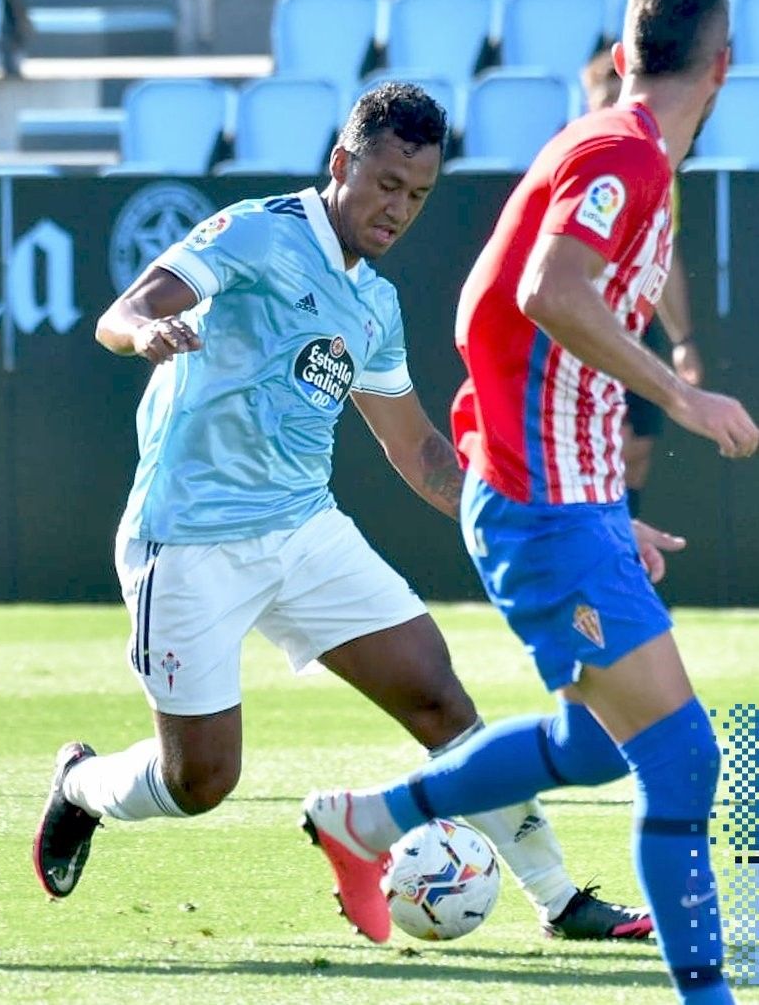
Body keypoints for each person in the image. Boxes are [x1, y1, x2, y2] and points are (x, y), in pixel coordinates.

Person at [32, 82, 651, 942]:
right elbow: (123, 310)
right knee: (200, 780)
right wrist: (146, 333)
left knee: (438, 695)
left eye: (419, 195)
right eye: (387, 184)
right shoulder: (260, 231)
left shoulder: (376, 303)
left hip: (304, 529)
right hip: (190, 539)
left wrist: (563, 518)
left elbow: (422, 452)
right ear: (341, 164)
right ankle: (80, 786)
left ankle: (560, 898)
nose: (398, 208)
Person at [303, 0, 757, 1003]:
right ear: (724, 66)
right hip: (544, 506)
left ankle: (367, 821)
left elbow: (493, 309)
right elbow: (541, 293)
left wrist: (602, 499)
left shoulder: (622, 151)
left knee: (597, 742)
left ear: (624, 52)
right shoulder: (621, 153)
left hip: (566, 500)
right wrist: (681, 405)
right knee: (684, 758)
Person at [582, 50, 705, 515]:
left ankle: (624, 556)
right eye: (605, 101)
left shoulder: (654, 165)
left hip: (634, 326)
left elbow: (665, 258)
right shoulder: (581, 163)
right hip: (584, 329)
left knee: (635, 453)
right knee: (605, 448)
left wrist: (683, 340)